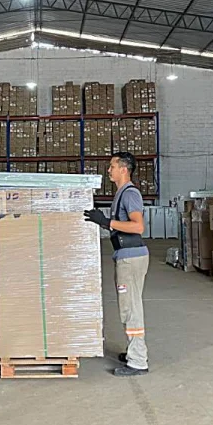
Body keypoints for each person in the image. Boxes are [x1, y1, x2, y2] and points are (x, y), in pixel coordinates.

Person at [84, 152, 150, 377]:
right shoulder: (121, 194)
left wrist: (106, 221)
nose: (109, 170)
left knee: (130, 308)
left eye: (112, 166)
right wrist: (103, 223)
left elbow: (138, 227)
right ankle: (134, 351)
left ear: (123, 169)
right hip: (125, 255)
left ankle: (138, 361)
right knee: (129, 306)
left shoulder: (130, 194)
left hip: (131, 258)